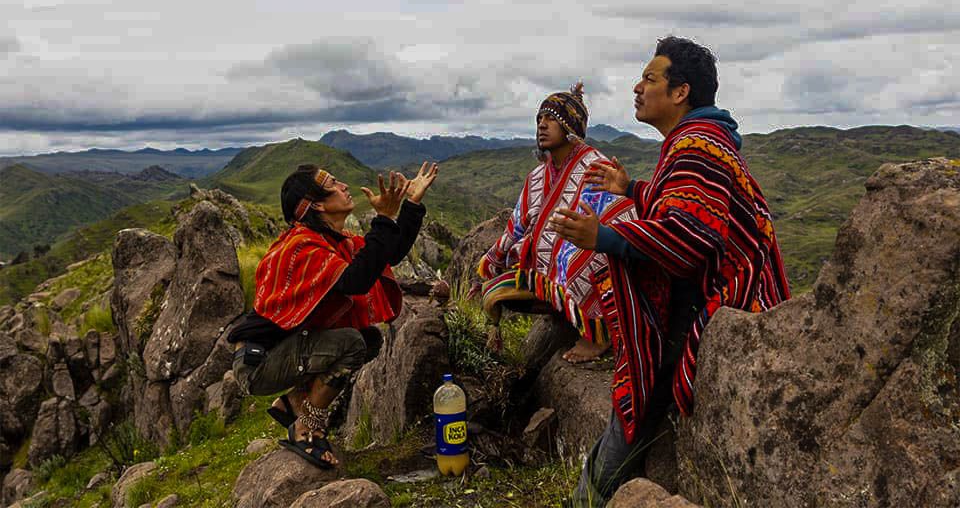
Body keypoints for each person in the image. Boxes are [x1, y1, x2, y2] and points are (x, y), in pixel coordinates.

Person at [550, 37, 791, 506]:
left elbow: (689, 236)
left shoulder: (697, 146)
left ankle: (587, 500)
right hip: (699, 296)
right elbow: (680, 205)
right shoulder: (695, 141)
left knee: (637, 404)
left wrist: (605, 237)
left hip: (716, 302)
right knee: (635, 404)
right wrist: (631, 189)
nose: (637, 87)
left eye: (649, 78)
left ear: (680, 92)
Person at [229, 161, 438, 468]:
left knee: (368, 339)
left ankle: (293, 402)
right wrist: (383, 218)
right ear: (316, 204)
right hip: (258, 363)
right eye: (333, 184)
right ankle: (305, 427)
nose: (343, 186)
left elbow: (387, 254)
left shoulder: (334, 243)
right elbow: (356, 281)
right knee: (350, 343)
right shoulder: (302, 247)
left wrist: (412, 204)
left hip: (286, 349)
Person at [473, 82, 637, 363]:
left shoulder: (597, 167)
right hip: (546, 270)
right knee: (495, 291)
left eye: (551, 118)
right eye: (540, 118)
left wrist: (583, 241)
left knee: (578, 257)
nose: (542, 124)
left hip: (592, 257)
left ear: (570, 125)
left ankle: (599, 332)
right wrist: (490, 263)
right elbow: (516, 226)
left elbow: (621, 217)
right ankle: (566, 308)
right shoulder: (537, 177)